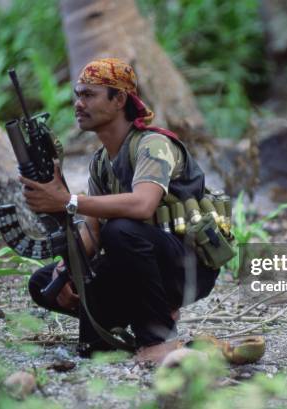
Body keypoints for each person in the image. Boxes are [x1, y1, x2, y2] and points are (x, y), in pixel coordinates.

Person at [22, 58, 220, 363]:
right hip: (139, 261)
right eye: (78, 94)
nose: (78, 104)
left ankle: (159, 337)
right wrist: (68, 269)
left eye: (89, 95)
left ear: (119, 100)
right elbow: (92, 234)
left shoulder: (152, 145)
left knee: (122, 230)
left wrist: (67, 200)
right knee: (43, 282)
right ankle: (131, 318)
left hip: (188, 266)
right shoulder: (100, 163)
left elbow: (143, 205)